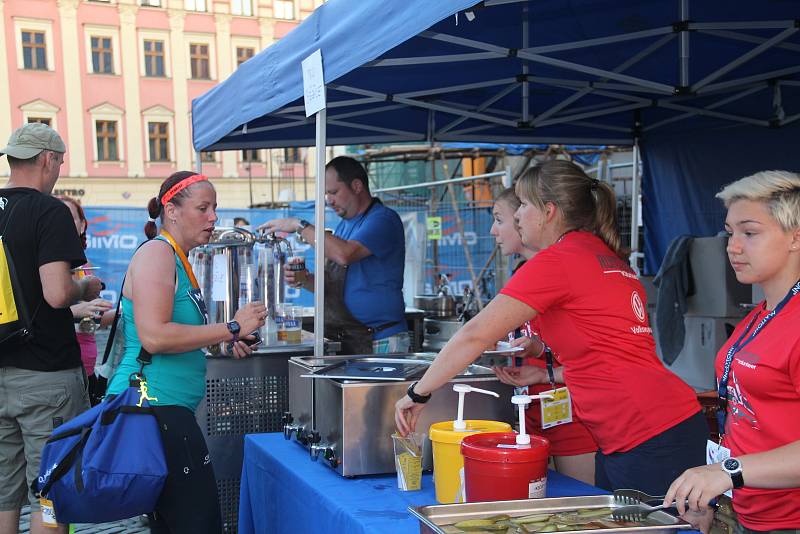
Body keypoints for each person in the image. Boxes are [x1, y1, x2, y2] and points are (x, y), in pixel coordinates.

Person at [396, 160, 707, 495]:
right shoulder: (601, 254)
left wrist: (419, 392)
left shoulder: (558, 261)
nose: (517, 215)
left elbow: (475, 334)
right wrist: (543, 374)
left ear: (549, 211)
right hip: (655, 425)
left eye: (524, 205)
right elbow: (606, 357)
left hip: (646, 433)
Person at [104, 171, 267, 534]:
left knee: (177, 523)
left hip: (166, 409)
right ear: (172, 211)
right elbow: (155, 337)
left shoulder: (180, 259)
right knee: (198, 522)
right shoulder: (157, 254)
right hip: (152, 408)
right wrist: (233, 326)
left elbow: (178, 331)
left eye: (215, 209)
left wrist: (223, 341)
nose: (213, 218)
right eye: (203, 208)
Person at [665, 170, 800, 533]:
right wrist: (712, 493)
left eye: (750, 232)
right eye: (731, 231)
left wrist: (726, 473)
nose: (732, 246)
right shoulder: (760, 315)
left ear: (796, 237)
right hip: (749, 511)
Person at [0, 123, 102, 534]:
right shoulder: (48, 210)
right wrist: (87, 286)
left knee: (3, 492)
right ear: (47, 159)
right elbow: (58, 293)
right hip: (46, 376)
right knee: (51, 493)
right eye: (59, 162)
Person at [489, 187, 597, 485]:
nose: (493, 230)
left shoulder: (561, 268)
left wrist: (540, 350)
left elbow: (591, 352)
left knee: (581, 507)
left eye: (500, 219)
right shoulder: (526, 271)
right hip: (532, 406)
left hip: (572, 412)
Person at [260, 156, 407, 354]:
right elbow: (330, 284)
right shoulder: (344, 226)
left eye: (333, 192)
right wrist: (304, 279)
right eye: (325, 194)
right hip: (352, 338)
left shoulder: (383, 219)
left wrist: (299, 225)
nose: (328, 200)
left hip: (381, 340)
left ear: (356, 186)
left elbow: (344, 254)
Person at [58, 195, 114, 405]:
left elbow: (93, 322)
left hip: (88, 364)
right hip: (64, 368)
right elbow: (43, 314)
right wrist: (82, 310)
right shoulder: (47, 264)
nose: (64, 223)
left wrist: (120, 313)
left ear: (83, 225)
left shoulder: (85, 263)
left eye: (70, 217)